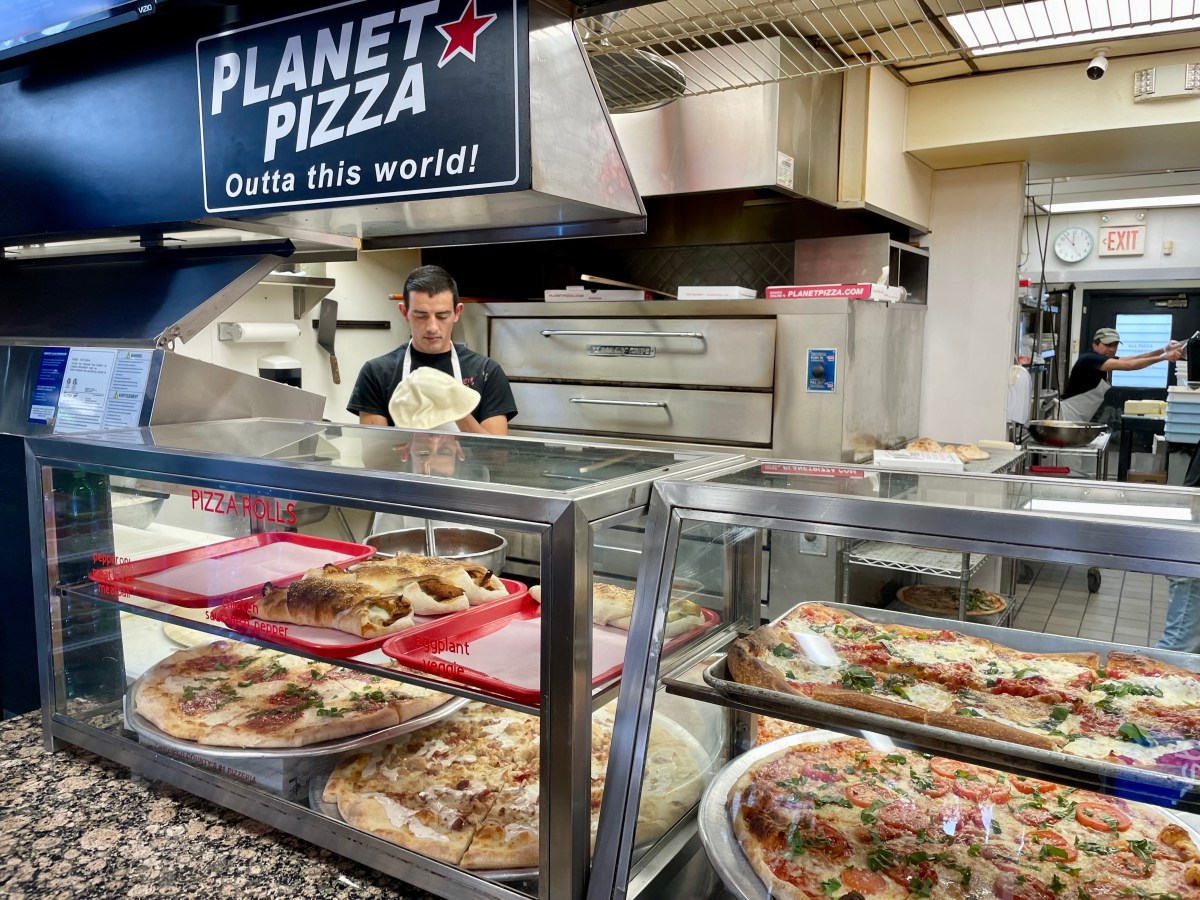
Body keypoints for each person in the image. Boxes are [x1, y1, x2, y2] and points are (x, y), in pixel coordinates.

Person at [347, 265, 517, 435]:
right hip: (404, 463)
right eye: (421, 316)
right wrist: (413, 446)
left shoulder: (486, 372)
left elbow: (496, 457)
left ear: (457, 313)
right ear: (404, 312)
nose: (432, 327)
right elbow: (372, 455)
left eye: (442, 316)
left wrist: (455, 406)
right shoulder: (377, 372)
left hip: (466, 463)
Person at [1059, 327, 1182, 422]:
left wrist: (1163, 350)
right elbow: (1130, 366)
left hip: (1078, 416)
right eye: (1107, 345)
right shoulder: (1090, 359)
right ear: (1095, 344)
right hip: (1066, 415)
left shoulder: (1101, 359)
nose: (1112, 349)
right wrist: (1164, 358)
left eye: (1115, 345)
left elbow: (1135, 358)